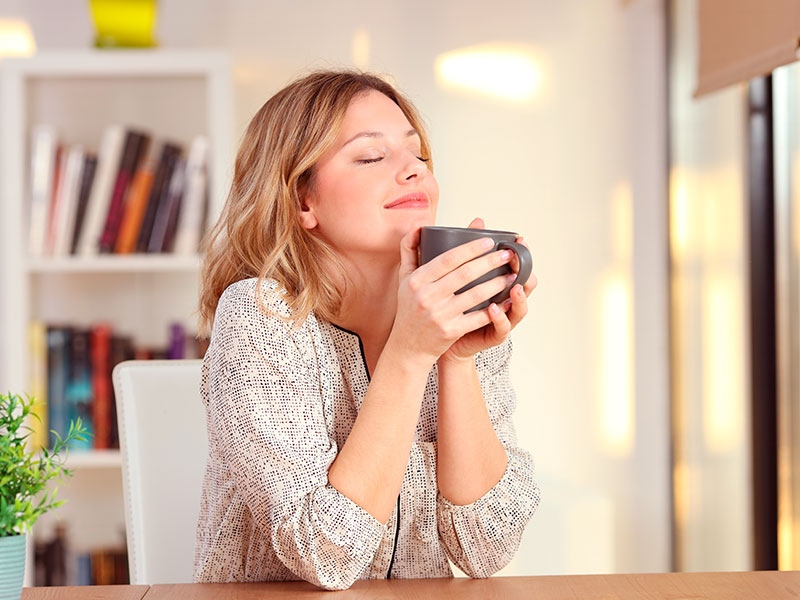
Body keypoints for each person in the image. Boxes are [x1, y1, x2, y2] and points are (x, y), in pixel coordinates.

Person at [193, 70, 540, 591]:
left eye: (418, 155)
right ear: (301, 201)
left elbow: (486, 548)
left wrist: (455, 357)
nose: (413, 172)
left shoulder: (452, 317)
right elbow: (325, 556)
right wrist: (409, 354)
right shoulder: (259, 318)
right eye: (373, 157)